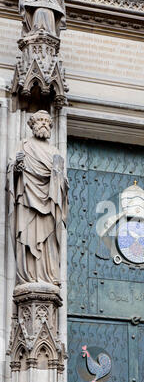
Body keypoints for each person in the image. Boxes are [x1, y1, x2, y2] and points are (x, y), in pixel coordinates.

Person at [7, 110, 68, 286]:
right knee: (29, 236)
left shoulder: (54, 151)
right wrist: (17, 164)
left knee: (48, 239)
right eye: (39, 120)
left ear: (50, 125)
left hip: (48, 203)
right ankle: (29, 275)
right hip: (27, 201)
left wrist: (58, 176)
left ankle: (48, 274)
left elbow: (62, 184)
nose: (43, 123)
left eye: (46, 121)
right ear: (32, 124)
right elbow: (12, 171)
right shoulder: (23, 145)